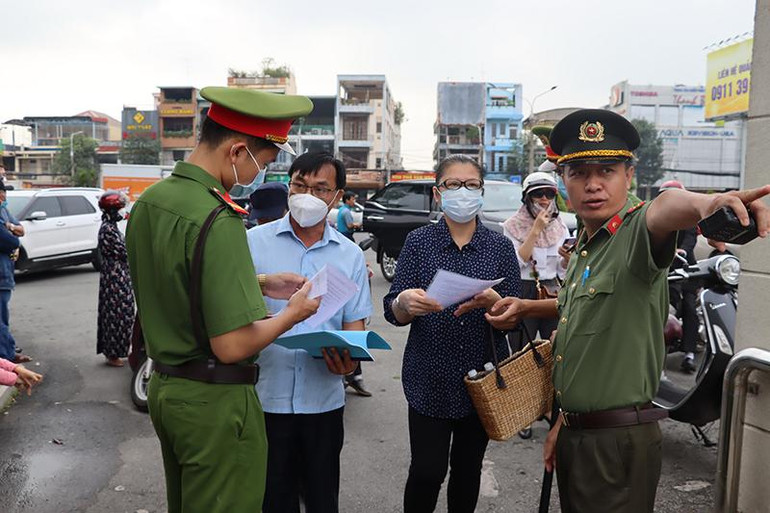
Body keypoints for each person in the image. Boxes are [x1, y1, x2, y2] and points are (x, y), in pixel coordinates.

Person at [485, 109, 770, 513]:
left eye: (607, 170)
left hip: (616, 443)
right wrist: (526, 306)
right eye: (579, 173)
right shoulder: (587, 245)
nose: (593, 184)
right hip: (577, 432)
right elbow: (581, 317)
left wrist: (709, 204)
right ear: (564, 182)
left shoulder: (635, 231)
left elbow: (666, 207)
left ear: (629, 177)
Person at [126, 87, 322, 513]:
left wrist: (259, 282)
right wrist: (293, 314)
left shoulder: (151, 203)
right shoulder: (218, 216)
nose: (261, 173)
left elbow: (177, 282)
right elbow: (232, 344)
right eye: (264, 162)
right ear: (237, 151)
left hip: (166, 389)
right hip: (213, 402)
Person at [383, 154, 521, 513]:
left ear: (482, 191)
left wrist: (496, 304)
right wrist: (404, 302)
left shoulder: (500, 246)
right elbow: (392, 309)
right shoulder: (419, 242)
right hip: (429, 376)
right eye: (453, 185)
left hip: (482, 378)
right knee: (427, 471)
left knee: (467, 470)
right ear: (438, 193)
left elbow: (514, 317)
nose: (463, 192)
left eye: (471, 185)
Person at [247, 151, 372, 513]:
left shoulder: (348, 255)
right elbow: (230, 311)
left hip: (323, 404)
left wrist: (346, 364)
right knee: (270, 500)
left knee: (321, 500)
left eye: (320, 188)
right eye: (300, 185)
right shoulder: (253, 242)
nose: (308, 195)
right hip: (263, 399)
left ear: (337, 196)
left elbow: (354, 330)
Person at [502, 171, 569, 439]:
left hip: (552, 290)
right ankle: (523, 414)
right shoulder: (512, 225)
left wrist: (566, 258)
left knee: (555, 350)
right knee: (522, 355)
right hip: (524, 289)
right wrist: (536, 230)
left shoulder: (561, 226)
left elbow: (563, 272)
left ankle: (550, 409)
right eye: (537, 194)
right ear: (527, 197)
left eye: (549, 194)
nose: (543, 199)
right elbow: (516, 263)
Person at [658, 180, 700, 373]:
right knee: (668, 308)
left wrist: (681, 250)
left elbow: (691, 239)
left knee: (691, 308)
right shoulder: (657, 219)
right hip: (666, 272)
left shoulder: (689, 218)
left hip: (686, 269)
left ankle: (689, 354)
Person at [96, 191, 134, 367]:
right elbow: (126, 252)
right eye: (120, 208)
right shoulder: (108, 230)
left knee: (124, 314)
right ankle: (113, 354)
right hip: (114, 278)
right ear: (112, 210)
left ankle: (120, 350)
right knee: (116, 315)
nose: (123, 212)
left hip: (119, 275)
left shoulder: (112, 227)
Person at [0, 181, 26, 365]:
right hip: (1, 275)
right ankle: (7, 357)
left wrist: (10, 227)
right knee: (1, 320)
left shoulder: (4, 211)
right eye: (2, 194)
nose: (4, 198)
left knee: (4, 318)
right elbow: (11, 241)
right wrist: (13, 236)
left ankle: (8, 353)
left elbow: (21, 230)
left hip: (6, 273)